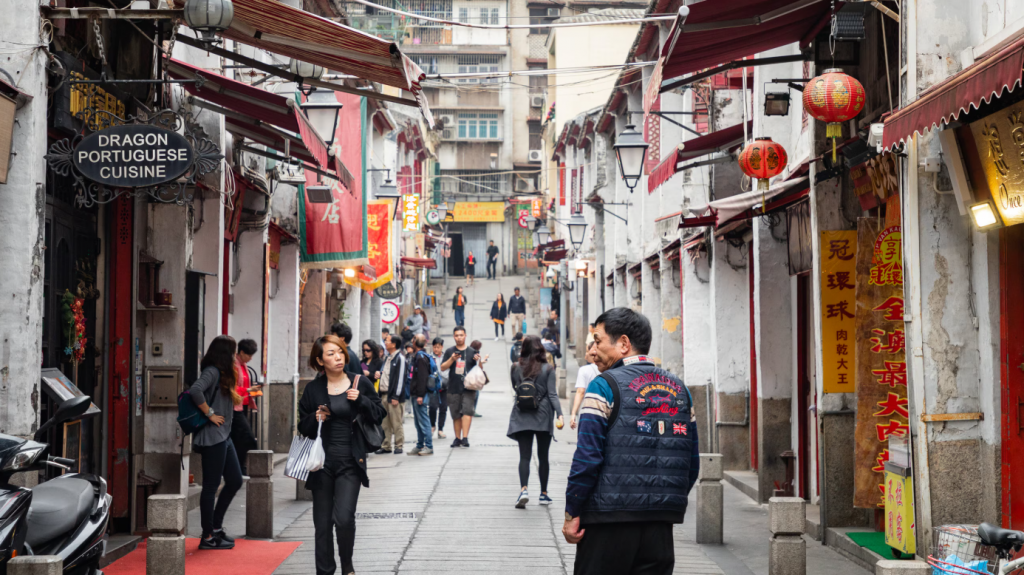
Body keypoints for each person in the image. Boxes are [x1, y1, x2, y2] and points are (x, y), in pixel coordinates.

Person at [562, 308, 700, 575]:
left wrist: (572, 512)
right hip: (660, 528)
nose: (592, 351)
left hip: (607, 524)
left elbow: (587, 458)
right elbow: (691, 464)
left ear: (623, 344)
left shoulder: (603, 385)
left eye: (598, 341)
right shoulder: (680, 389)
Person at [298, 335, 386, 575]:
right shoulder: (313, 389)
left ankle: (347, 565)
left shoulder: (359, 383)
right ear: (319, 360)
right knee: (323, 525)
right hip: (322, 465)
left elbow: (379, 414)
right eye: (330, 354)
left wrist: (363, 401)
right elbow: (302, 426)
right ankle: (325, 571)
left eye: (339, 351)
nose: (338, 357)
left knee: (344, 519)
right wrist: (314, 418)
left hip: (350, 463)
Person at [188, 335, 244, 550]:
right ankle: (208, 536)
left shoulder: (222, 374)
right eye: (232, 352)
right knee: (210, 486)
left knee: (235, 480)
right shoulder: (211, 371)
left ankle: (217, 528)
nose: (235, 356)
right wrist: (210, 413)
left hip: (224, 436)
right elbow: (195, 390)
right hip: (212, 437)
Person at [508, 335, 563, 509]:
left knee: (524, 456)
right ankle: (544, 494)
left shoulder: (516, 367)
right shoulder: (548, 369)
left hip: (522, 413)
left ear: (523, 349)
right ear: (541, 349)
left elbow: (516, 388)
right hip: (543, 414)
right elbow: (552, 394)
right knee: (543, 456)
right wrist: (560, 414)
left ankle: (523, 490)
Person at [440, 326, 480, 447]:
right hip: (453, 387)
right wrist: (452, 359)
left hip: (469, 388)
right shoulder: (449, 351)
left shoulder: (472, 351)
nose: (459, 337)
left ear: (465, 336)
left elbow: (479, 370)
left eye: (461, 335)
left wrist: (480, 361)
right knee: (456, 414)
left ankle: (465, 438)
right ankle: (457, 438)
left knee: (467, 412)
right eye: (457, 335)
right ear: (454, 337)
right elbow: (442, 367)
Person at [231, 338, 262, 476]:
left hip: (243, 406)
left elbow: (245, 387)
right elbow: (233, 388)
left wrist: (253, 390)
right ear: (241, 352)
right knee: (247, 437)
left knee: (239, 439)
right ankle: (240, 467)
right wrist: (249, 390)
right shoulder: (234, 365)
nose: (250, 358)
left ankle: (239, 467)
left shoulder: (243, 365)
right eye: (248, 355)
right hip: (234, 407)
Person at [376, 334, 406, 455]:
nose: (385, 342)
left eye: (387, 341)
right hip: (383, 395)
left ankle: (399, 445)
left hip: (393, 396)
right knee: (385, 422)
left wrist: (396, 396)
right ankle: (386, 445)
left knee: (396, 422)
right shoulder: (387, 358)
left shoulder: (400, 358)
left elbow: (400, 379)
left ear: (394, 344)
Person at [406, 334, 434, 456]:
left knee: (423, 420)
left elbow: (422, 378)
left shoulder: (421, 358)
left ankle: (428, 446)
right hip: (416, 394)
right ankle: (420, 445)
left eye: (413, 340)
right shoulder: (418, 356)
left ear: (415, 343)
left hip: (420, 395)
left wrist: (420, 395)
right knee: (418, 422)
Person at [569, 341, 600, 430]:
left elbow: (580, 392)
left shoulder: (584, 370)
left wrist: (573, 413)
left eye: (587, 351)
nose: (586, 354)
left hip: (588, 411)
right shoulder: (611, 368)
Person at [429, 337, 449, 439]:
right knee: (432, 407)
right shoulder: (429, 358)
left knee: (443, 407)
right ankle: (433, 425)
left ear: (442, 347)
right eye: (435, 347)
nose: (436, 349)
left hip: (445, 386)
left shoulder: (447, 356)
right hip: (433, 387)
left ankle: (440, 429)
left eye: (438, 347)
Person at [469, 340, 489, 418]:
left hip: (473, 376)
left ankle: (472, 410)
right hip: (472, 376)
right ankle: (472, 410)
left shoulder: (471, 352)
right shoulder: (474, 353)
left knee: (475, 394)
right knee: (475, 394)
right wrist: (482, 360)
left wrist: (483, 360)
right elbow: (478, 366)